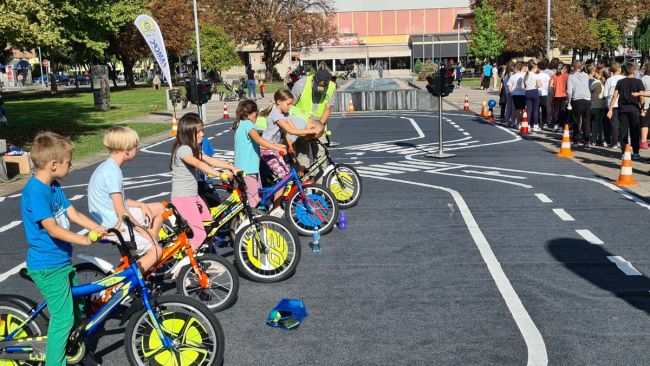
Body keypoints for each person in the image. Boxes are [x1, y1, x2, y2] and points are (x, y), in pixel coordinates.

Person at [21, 132, 107, 366]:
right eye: (69, 162)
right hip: (48, 266)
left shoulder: (54, 187)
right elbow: (52, 229)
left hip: (61, 262)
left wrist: (100, 228)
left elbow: (73, 214)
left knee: (78, 309)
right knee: (63, 318)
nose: (71, 166)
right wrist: (85, 240)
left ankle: (73, 350)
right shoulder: (36, 191)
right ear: (53, 164)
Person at [88, 127, 164, 271]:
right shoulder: (112, 172)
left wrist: (140, 204)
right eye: (136, 146)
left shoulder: (109, 167)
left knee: (159, 208)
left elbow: (119, 200)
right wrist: (142, 231)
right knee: (157, 251)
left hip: (111, 216)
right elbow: (120, 211)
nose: (137, 149)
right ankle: (125, 285)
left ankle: (147, 246)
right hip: (114, 225)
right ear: (126, 149)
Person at [170, 113, 239, 249]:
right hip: (183, 198)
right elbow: (199, 164)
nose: (202, 134)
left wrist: (230, 166)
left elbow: (208, 159)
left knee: (209, 227)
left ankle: (203, 258)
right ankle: (187, 264)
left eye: (202, 130)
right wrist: (219, 174)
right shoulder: (183, 149)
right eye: (198, 132)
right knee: (200, 234)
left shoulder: (192, 149)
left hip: (193, 196)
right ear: (188, 134)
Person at [258, 90, 321, 215]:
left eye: (291, 104)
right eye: (288, 104)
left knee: (285, 176)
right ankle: (275, 208)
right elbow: (291, 130)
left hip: (274, 148)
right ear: (279, 102)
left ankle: (275, 204)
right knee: (284, 177)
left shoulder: (284, 114)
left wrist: (292, 144)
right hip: (266, 149)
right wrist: (310, 130)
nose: (290, 107)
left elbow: (292, 131)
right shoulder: (275, 114)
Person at [233, 100, 286, 207]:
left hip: (246, 169)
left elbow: (258, 144)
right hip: (248, 169)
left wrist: (277, 146)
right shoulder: (248, 124)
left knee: (254, 197)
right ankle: (248, 223)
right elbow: (258, 139)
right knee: (253, 201)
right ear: (250, 114)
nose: (256, 119)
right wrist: (276, 146)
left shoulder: (240, 125)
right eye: (256, 115)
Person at [291, 67, 338, 155]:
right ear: (313, 79)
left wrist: (319, 127)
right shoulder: (301, 84)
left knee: (322, 156)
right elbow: (290, 105)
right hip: (302, 125)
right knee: (303, 157)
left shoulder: (332, 87)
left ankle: (322, 169)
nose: (319, 91)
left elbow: (328, 109)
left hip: (319, 124)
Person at [607, 62, 645, 158]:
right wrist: (642, 108)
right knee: (634, 131)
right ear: (634, 71)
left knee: (623, 130)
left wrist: (610, 109)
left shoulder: (620, 82)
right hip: (634, 109)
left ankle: (624, 152)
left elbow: (615, 96)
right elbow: (641, 97)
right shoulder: (638, 82)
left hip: (622, 109)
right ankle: (635, 153)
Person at [567, 60, 592, 147]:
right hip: (587, 98)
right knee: (586, 120)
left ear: (572, 68)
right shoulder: (586, 75)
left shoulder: (571, 77)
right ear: (581, 67)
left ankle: (576, 141)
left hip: (576, 99)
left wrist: (569, 101)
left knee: (576, 121)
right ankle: (587, 141)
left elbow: (569, 91)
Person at [604, 62, 624, 148]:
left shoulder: (609, 80)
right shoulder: (624, 78)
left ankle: (614, 143)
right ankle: (621, 141)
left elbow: (605, 94)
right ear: (620, 69)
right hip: (623, 103)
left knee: (614, 124)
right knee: (623, 123)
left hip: (611, 104)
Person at [588, 65, 606, 146]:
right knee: (601, 123)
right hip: (603, 105)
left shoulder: (595, 83)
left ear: (597, 73)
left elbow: (589, 92)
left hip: (595, 105)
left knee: (595, 123)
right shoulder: (604, 82)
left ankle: (594, 139)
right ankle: (601, 139)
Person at [524, 60, 542, 132]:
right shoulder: (536, 76)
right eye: (536, 68)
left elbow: (523, 86)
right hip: (534, 91)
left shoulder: (526, 76)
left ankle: (528, 125)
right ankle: (535, 125)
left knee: (529, 109)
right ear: (533, 68)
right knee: (535, 110)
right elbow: (539, 85)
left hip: (527, 92)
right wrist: (540, 84)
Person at [550, 64, 569, 132]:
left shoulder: (554, 76)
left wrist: (555, 88)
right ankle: (561, 126)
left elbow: (550, 85)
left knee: (556, 111)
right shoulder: (566, 76)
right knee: (562, 111)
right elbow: (568, 85)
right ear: (563, 69)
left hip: (556, 95)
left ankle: (556, 125)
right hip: (564, 95)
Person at [508, 62, 526, 129]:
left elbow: (509, 86)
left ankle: (518, 123)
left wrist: (511, 92)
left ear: (516, 68)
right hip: (524, 93)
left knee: (517, 109)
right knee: (523, 109)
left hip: (515, 94)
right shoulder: (524, 75)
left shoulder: (513, 76)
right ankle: (524, 122)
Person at [537, 59, 551, 129]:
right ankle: (545, 123)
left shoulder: (537, 75)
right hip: (545, 93)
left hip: (538, 93)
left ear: (538, 68)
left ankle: (538, 122)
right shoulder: (547, 75)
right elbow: (549, 84)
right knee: (544, 109)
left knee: (537, 109)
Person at [640, 62, 650, 149]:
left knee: (645, 122)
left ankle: (644, 141)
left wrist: (642, 106)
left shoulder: (644, 78)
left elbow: (641, 93)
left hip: (646, 103)